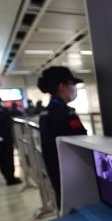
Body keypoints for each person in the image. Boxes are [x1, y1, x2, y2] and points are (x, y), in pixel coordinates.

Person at [37, 66, 87, 207]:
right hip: (71, 174)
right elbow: (80, 140)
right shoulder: (65, 113)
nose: (74, 88)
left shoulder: (46, 112)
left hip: (55, 171)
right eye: (72, 84)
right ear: (62, 86)